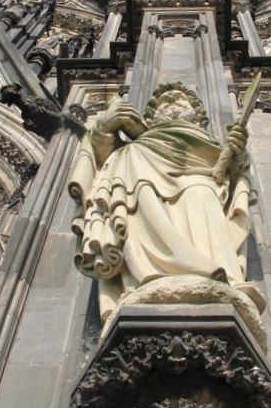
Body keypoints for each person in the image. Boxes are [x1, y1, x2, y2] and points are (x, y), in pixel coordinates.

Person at [69, 82, 257, 322]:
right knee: (137, 187)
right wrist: (104, 130)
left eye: (179, 98)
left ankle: (218, 279)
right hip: (143, 188)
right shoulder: (134, 149)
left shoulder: (211, 145)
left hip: (200, 187)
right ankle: (146, 280)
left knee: (200, 193)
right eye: (163, 101)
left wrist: (238, 156)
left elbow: (234, 184)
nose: (171, 101)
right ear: (151, 117)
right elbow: (99, 168)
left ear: (197, 115)